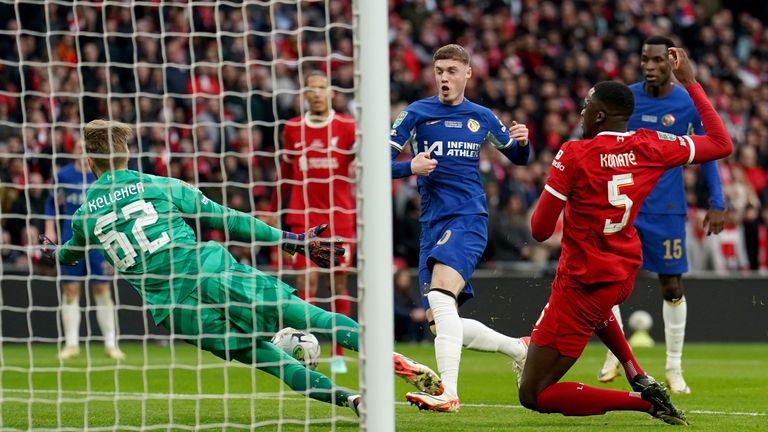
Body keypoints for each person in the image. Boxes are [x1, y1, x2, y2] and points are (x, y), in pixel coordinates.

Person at [42, 119, 444, 416]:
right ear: (126, 153)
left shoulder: (83, 217)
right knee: (307, 315)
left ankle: (353, 401)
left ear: (88, 158)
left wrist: (53, 252)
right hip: (209, 269)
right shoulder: (160, 185)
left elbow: (69, 255)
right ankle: (390, 360)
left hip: (174, 310)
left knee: (267, 359)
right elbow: (229, 219)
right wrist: (292, 240)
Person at [521, 47, 732, 425]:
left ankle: (644, 403)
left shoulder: (574, 154)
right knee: (601, 309)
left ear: (599, 115)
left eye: (585, 110)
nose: (581, 115)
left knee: (534, 393)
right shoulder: (650, 145)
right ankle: (637, 372)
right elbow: (721, 144)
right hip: (621, 274)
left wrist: (560, 188)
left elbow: (539, 231)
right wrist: (691, 83)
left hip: (582, 282)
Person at [390, 44, 530, 413]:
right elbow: (378, 161)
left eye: (452, 70)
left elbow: (517, 157)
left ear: (468, 73)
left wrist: (524, 142)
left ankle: (449, 393)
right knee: (440, 323)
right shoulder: (416, 114)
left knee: (439, 298)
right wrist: (409, 167)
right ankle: (519, 348)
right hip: (431, 225)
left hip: (468, 219)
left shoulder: (481, 117)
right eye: (439, 71)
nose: (444, 78)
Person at [597, 36, 726, 394]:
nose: (650, 67)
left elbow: (709, 153)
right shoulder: (626, 98)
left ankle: (674, 367)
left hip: (666, 209)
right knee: (609, 279)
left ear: (672, 63)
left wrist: (717, 201)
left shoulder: (686, 104)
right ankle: (615, 352)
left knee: (671, 286)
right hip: (624, 204)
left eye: (658, 61)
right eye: (645, 60)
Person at [272, 70, 357, 374]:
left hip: (341, 215)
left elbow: (358, 169)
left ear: (332, 93)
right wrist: (273, 209)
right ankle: (304, 344)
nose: (318, 94)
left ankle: (337, 352)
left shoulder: (348, 126)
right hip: (302, 214)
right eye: (312, 88)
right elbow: (285, 174)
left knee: (338, 282)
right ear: (304, 94)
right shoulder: (293, 128)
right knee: (305, 281)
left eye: (323, 88)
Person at [44, 140, 125, 361]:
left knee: (103, 289)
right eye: (79, 148)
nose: (82, 151)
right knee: (70, 290)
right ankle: (71, 344)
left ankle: (111, 344)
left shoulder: (101, 176)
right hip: (72, 240)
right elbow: (51, 204)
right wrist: (49, 229)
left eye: (86, 148)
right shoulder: (63, 175)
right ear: (72, 152)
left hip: (100, 242)